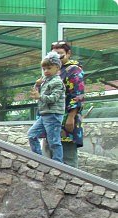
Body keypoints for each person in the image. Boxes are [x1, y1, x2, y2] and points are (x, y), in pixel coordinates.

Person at [50, 40, 85, 168]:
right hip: (51, 118)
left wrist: (71, 117)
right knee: (50, 152)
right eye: (54, 55)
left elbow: (78, 94)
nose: (57, 57)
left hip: (66, 117)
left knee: (68, 155)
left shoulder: (74, 70)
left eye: (60, 54)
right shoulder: (53, 70)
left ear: (68, 53)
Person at [27, 52, 65, 164]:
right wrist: (37, 85)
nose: (46, 71)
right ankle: (39, 159)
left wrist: (40, 96)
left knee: (54, 141)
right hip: (44, 114)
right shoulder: (46, 81)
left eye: (49, 68)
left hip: (53, 114)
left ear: (57, 68)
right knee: (32, 135)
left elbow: (53, 98)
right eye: (44, 69)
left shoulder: (57, 82)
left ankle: (58, 163)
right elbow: (37, 95)